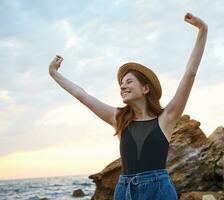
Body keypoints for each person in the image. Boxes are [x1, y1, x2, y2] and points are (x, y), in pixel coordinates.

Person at [49, 12, 207, 200]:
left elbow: (190, 73)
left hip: (159, 192)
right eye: (121, 84)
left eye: (129, 82)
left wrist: (202, 30)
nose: (122, 86)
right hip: (125, 192)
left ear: (145, 88)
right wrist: (54, 73)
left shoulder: (166, 118)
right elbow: (82, 95)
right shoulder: (118, 118)